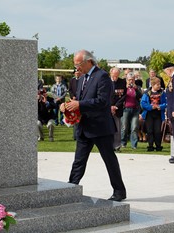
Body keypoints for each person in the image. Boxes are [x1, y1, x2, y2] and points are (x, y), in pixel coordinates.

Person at [61, 49, 126, 202]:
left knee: (109, 160)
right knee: (79, 160)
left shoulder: (102, 76)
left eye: (78, 64)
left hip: (101, 128)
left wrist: (79, 104)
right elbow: (81, 100)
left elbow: (102, 101)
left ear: (88, 61)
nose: (77, 68)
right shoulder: (82, 78)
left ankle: (119, 191)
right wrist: (69, 105)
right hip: (85, 127)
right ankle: (71, 188)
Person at [140, 77, 167, 151]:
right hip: (149, 114)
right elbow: (142, 103)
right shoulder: (147, 93)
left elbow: (166, 103)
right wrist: (151, 107)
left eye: (159, 84)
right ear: (153, 85)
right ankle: (150, 146)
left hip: (158, 113)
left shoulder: (162, 93)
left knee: (158, 131)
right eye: (157, 85)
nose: (159, 86)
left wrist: (160, 106)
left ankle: (158, 146)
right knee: (149, 130)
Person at [121, 74, 143, 149]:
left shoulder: (137, 87)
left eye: (132, 79)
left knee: (134, 127)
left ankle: (134, 145)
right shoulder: (123, 87)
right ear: (126, 80)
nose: (131, 81)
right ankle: (123, 143)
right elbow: (120, 97)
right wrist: (125, 89)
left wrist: (136, 89)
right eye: (129, 79)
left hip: (135, 109)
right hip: (125, 109)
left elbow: (141, 96)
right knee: (124, 127)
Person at [110, 67, 127, 152]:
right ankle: (108, 146)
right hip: (107, 108)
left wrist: (116, 106)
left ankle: (117, 146)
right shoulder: (106, 81)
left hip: (117, 109)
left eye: (117, 75)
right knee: (107, 128)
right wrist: (110, 106)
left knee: (117, 128)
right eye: (114, 75)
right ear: (111, 73)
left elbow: (124, 95)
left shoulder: (122, 82)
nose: (115, 77)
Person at [69, 68, 82, 140]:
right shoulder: (72, 80)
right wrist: (72, 96)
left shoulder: (82, 79)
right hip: (73, 101)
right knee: (74, 118)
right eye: (76, 72)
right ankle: (75, 135)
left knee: (79, 119)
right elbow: (70, 90)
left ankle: (79, 134)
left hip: (80, 102)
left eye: (78, 72)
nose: (77, 73)